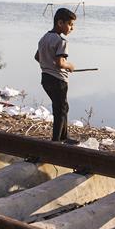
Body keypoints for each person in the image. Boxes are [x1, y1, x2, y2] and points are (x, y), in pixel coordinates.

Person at [35, 8, 77, 144]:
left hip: (45, 78)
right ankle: (56, 141)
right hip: (58, 80)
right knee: (61, 109)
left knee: (61, 107)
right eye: (70, 24)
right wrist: (70, 66)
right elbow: (61, 63)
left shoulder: (44, 38)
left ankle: (64, 137)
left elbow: (37, 57)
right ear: (60, 23)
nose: (72, 28)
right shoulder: (61, 41)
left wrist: (48, 63)